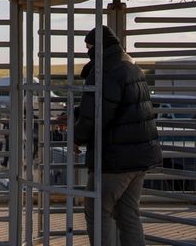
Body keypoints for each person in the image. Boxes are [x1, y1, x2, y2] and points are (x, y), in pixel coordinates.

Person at [74, 26, 162, 246]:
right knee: (128, 214)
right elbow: (121, 106)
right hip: (139, 158)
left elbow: (97, 114)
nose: (88, 52)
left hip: (116, 159)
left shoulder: (107, 70)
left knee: (96, 210)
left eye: (90, 48)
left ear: (100, 48)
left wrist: (77, 137)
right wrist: (78, 113)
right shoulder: (131, 66)